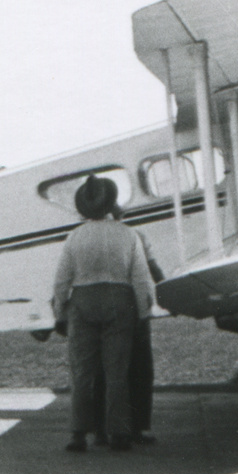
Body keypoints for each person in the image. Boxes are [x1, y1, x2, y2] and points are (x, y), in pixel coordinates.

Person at [52, 175, 154, 452]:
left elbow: (62, 279)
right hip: (119, 300)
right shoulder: (128, 234)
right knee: (116, 371)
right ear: (111, 202)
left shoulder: (75, 236)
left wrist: (59, 310)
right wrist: (143, 312)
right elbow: (141, 277)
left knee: (82, 372)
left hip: (83, 299)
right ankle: (119, 432)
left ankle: (78, 433)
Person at [91, 222, 161, 446]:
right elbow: (151, 270)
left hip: (99, 307)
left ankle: (101, 429)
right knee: (139, 368)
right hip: (130, 304)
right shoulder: (136, 234)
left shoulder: (84, 236)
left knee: (104, 369)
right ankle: (136, 429)